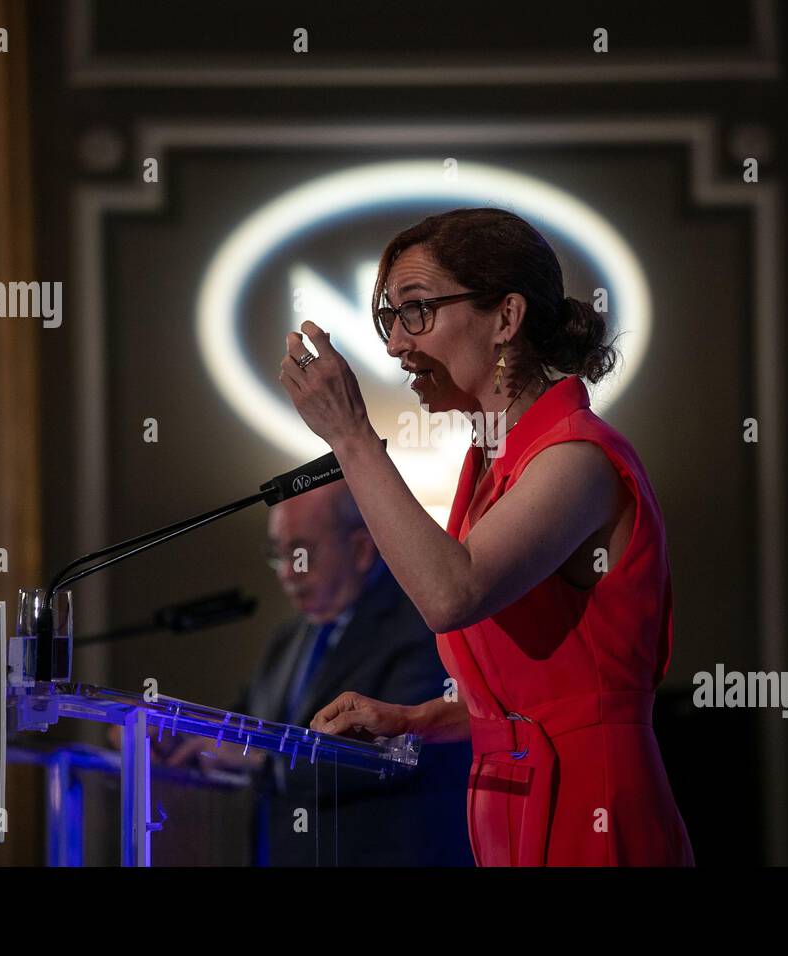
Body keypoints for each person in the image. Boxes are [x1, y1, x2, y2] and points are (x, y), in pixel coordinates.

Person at [276, 207, 694, 866]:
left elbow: (451, 594)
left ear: (506, 317)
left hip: (593, 804)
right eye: (390, 318)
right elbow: (530, 704)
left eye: (417, 310)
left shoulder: (577, 459)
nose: (395, 345)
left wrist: (351, 435)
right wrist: (417, 720)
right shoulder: (490, 467)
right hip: (509, 803)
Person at [164, 481, 473, 866]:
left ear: (360, 550)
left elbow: (400, 755)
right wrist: (177, 734)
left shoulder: (422, 627)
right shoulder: (288, 637)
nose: (287, 573)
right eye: (277, 554)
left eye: (301, 553)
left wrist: (263, 762)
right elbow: (247, 721)